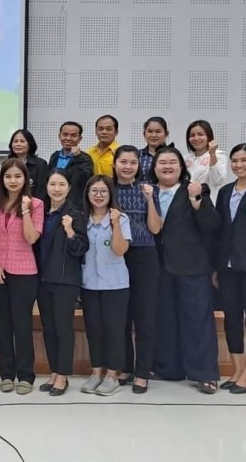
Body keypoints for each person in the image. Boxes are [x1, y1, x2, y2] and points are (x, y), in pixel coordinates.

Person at [150, 146, 220, 394]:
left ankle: (205, 373)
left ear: (182, 167)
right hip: (159, 267)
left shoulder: (195, 190)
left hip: (193, 265)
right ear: (154, 167)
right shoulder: (149, 191)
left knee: (197, 320)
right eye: (162, 162)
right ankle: (169, 368)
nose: (167, 166)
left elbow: (212, 226)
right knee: (165, 318)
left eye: (172, 162)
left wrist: (196, 201)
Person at [0, 158, 44, 395]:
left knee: (22, 326)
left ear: (26, 179)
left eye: (18, 177)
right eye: (8, 176)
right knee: (2, 326)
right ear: (2, 179)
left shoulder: (37, 204)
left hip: (25, 272)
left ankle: (26, 375)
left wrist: (25, 210)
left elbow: (32, 238)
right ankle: (6, 374)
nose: (13, 181)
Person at [113, 145, 162, 393]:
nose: (128, 166)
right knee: (122, 315)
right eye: (123, 161)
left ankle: (142, 372)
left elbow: (155, 228)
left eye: (133, 162)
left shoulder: (148, 190)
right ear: (115, 164)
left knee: (144, 317)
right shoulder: (107, 190)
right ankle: (125, 367)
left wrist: (149, 200)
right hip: (116, 256)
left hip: (145, 256)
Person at [36, 169, 88, 396]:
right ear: (46, 186)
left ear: (68, 188)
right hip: (42, 278)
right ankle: (54, 371)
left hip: (65, 280)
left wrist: (69, 231)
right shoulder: (42, 213)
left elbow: (81, 249)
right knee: (48, 328)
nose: (56, 189)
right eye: (52, 184)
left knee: (63, 329)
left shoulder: (75, 214)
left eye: (61, 185)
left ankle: (63, 375)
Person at [79, 175, 131, 397]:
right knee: (94, 330)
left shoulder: (121, 219)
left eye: (103, 191)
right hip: (89, 283)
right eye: (94, 191)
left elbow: (120, 250)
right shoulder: (82, 219)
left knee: (114, 330)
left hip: (115, 284)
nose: (98, 195)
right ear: (88, 194)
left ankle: (112, 375)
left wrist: (116, 223)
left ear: (110, 195)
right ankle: (96, 372)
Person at [214, 143, 246, 394]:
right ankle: (237, 368)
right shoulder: (225, 192)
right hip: (227, 266)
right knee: (231, 318)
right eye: (234, 161)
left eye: (244, 160)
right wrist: (215, 266)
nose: (239, 165)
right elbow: (220, 232)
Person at [47, 121, 93, 207]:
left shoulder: (85, 158)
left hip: (74, 206)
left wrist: (77, 158)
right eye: (65, 134)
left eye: (73, 135)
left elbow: (86, 181)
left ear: (80, 139)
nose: (68, 138)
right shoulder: (54, 156)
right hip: (54, 203)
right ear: (59, 136)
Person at [185, 120, 227, 201]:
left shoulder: (219, 155)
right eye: (192, 135)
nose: (196, 138)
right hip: (187, 204)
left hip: (209, 202)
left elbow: (217, 180)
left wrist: (212, 154)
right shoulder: (185, 158)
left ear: (209, 136)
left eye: (200, 134)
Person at [7, 129, 49, 202]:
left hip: (33, 206)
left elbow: (42, 192)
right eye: (15, 141)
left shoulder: (40, 164)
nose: (18, 144)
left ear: (30, 144)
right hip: (11, 205)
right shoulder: (6, 164)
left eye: (22, 141)